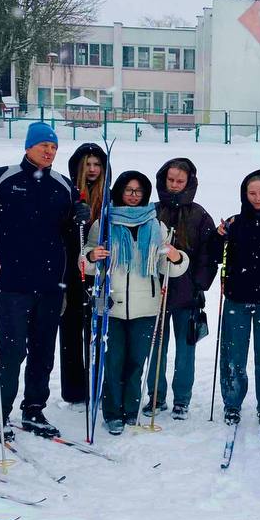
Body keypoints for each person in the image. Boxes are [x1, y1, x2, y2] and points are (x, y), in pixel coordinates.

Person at [0, 121, 84, 439]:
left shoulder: (63, 185)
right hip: (11, 283)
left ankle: (34, 410)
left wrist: (81, 216)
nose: (49, 151)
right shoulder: (2, 178)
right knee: (13, 350)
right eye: (43, 145)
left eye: (54, 147)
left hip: (51, 284)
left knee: (43, 351)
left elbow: (73, 231)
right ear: (28, 146)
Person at [83, 171, 188, 435]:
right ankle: (112, 413)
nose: (133, 195)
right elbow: (85, 262)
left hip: (146, 307)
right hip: (110, 306)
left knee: (136, 363)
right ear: (120, 191)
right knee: (113, 362)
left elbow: (167, 267)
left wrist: (176, 257)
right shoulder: (103, 223)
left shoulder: (156, 225)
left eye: (138, 191)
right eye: (128, 190)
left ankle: (130, 410)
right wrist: (92, 256)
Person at [145, 158, 219, 420]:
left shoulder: (199, 215)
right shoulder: (151, 211)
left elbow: (208, 255)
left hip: (187, 294)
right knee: (156, 347)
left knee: (186, 350)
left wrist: (199, 284)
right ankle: (156, 395)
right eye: (171, 180)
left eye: (180, 181)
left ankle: (182, 398)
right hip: (155, 292)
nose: (175, 185)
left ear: (189, 182)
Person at [216, 170, 260, 429]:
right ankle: (232, 403)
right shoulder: (234, 223)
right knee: (233, 354)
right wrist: (219, 235)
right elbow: (215, 254)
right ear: (244, 194)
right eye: (252, 193)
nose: (257, 198)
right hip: (237, 298)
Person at [60, 142, 107, 406]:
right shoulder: (66, 193)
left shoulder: (108, 197)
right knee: (70, 330)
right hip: (69, 272)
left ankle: (96, 382)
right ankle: (73, 389)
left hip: (98, 273)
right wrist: (71, 219)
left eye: (97, 164)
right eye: (87, 164)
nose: (92, 169)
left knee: (96, 330)